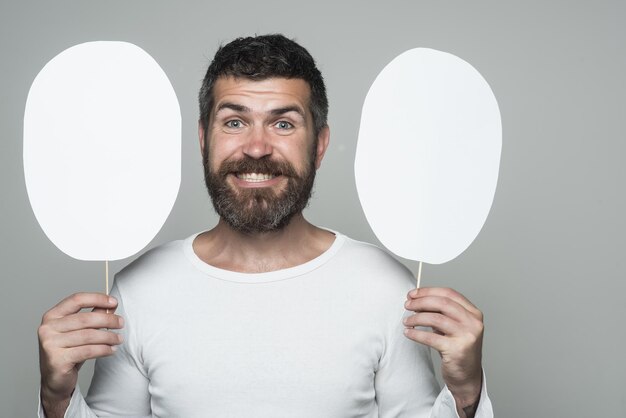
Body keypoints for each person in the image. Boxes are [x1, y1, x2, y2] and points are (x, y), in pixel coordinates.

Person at [38, 34, 493, 418]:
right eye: (234, 121)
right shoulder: (139, 290)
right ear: (203, 139)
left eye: (283, 123)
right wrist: (57, 398)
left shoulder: (387, 289)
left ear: (319, 145)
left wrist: (467, 393)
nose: (256, 147)